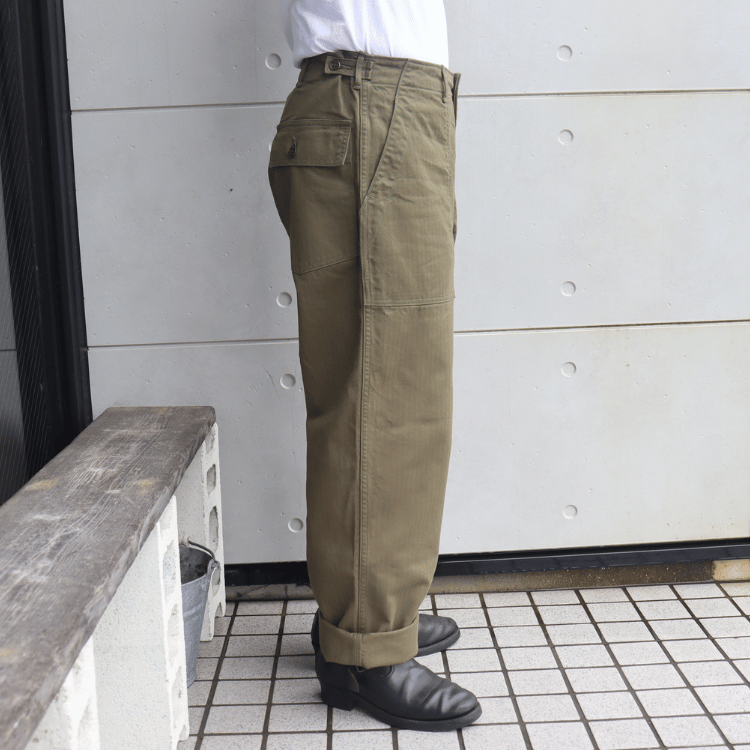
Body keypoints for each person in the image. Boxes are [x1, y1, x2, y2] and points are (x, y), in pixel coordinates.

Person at [268, 0, 481, 731]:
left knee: (371, 389)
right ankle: (365, 647)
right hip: (375, 105)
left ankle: (357, 617)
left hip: (384, 105)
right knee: (390, 396)